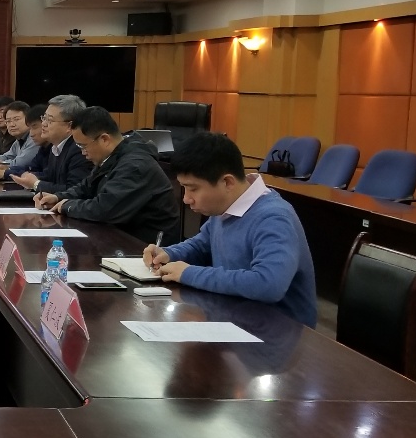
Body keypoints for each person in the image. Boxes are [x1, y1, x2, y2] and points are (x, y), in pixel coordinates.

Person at [142, 132, 317, 327]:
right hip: (233, 317)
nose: (186, 199)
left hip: (278, 331)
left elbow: (269, 284)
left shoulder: (274, 218)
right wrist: (169, 254)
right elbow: (201, 245)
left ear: (227, 182)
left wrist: (189, 273)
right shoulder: (226, 206)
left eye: (193, 189)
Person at [34, 106, 181, 244]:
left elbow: (105, 209)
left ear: (104, 139)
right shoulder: (112, 157)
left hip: (145, 246)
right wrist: (58, 197)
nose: (82, 152)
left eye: (83, 146)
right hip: (120, 237)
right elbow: (86, 187)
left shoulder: (135, 165)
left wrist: (67, 206)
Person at [13, 94, 93, 194]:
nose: (43, 124)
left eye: (49, 120)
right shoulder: (56, 146)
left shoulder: (79, 149)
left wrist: (36, 184)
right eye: (44, 118)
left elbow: (74, 191)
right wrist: (28, 176)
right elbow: (50, 176)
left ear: (69, 126)